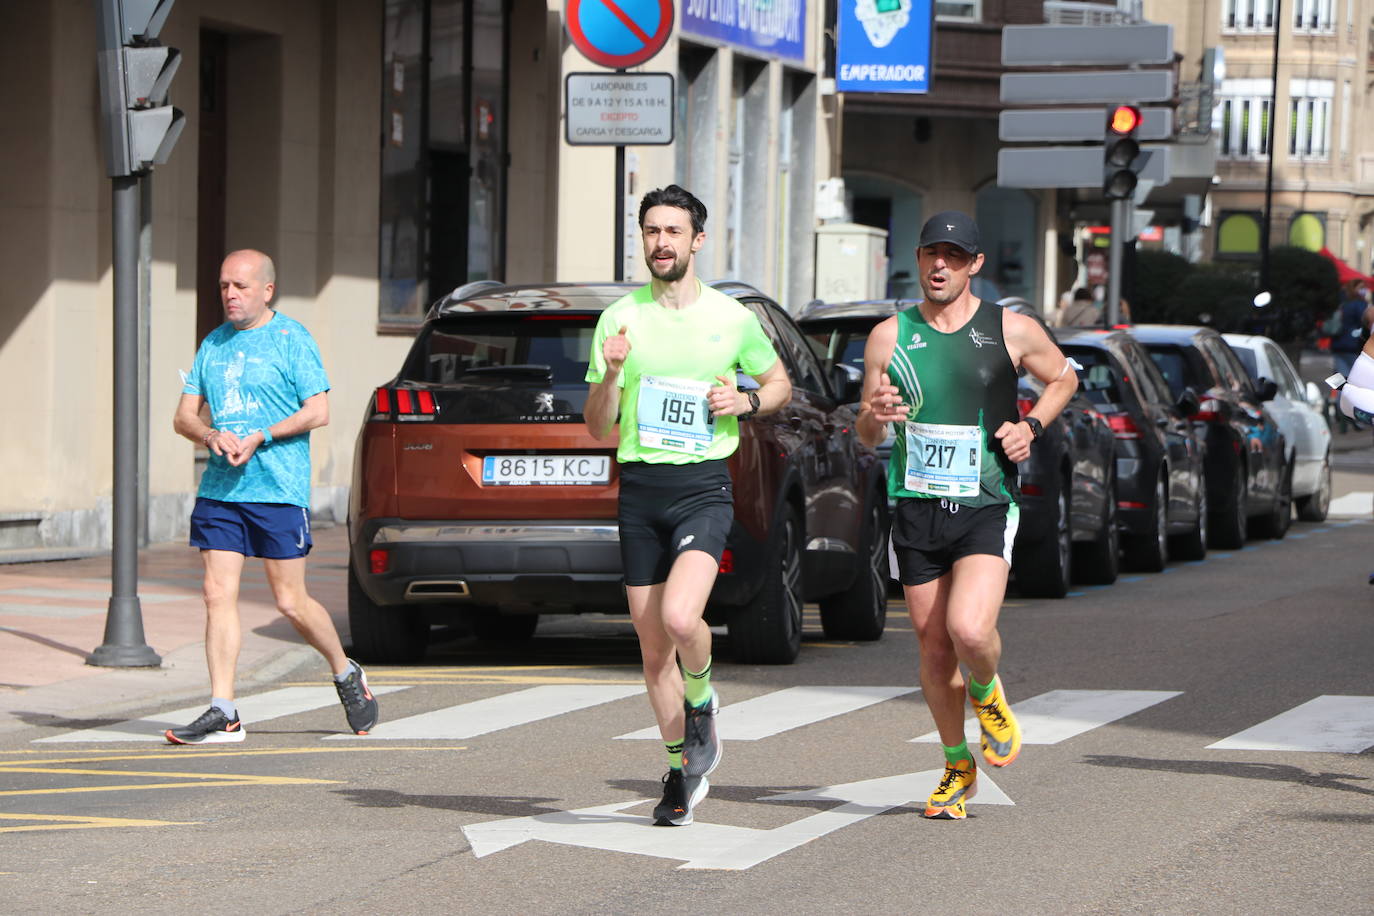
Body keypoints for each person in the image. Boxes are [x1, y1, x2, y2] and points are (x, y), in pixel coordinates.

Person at [857, 211, 1079, 819]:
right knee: (932, 650)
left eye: (953, 256)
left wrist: (1031, 424)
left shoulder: (1011, 329)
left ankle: (987, 692)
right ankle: (957, 765)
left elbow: (1063, 377)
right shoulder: (889, 335)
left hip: (984, 501)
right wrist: (876, 412)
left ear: (974, 264)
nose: (939, 266)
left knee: (971, 631)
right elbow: (865, 428)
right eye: (932, 253)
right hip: (916, 504)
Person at [584, 185, 791, 826]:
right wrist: (614, 374)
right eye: (651, 231)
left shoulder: (731, 318)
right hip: (641, 490)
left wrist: (745, 402)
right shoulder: (619, 319)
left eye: (673, 231)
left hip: (703, 484)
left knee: (680, 618)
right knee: (651, 652)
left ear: (696, 240)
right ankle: (681, 769)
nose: (661, 243)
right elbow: (597, 427)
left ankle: (703, 699)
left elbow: (779, 381)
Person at [167, 249, 378, 744]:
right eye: (223, 286)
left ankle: (345, 671)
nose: (230, 295)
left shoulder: (291, 338)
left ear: (267, 290)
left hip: (278, 489)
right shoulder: (213, 344)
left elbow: (318, 411)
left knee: (289, 601)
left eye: (240, 286)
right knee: (216, 594)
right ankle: (224, 709)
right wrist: (208, 436)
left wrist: (262, 435)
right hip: (221, 490)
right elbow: (183, 416)